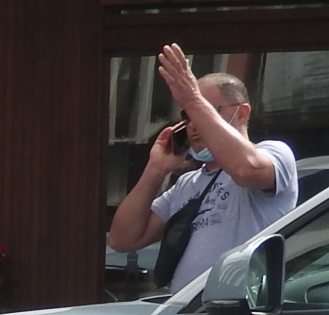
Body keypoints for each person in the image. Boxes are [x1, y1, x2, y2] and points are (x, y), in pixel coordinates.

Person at [108, 45, 298, 292]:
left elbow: (245, 169)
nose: (194, 124)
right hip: (188, 313)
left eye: (207, 110)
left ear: (241, 114)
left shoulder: (274, 153)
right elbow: (123, 239)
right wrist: (155, 170)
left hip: (238, 312)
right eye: (187, 115)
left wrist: (193, 99)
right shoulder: (188, 184)